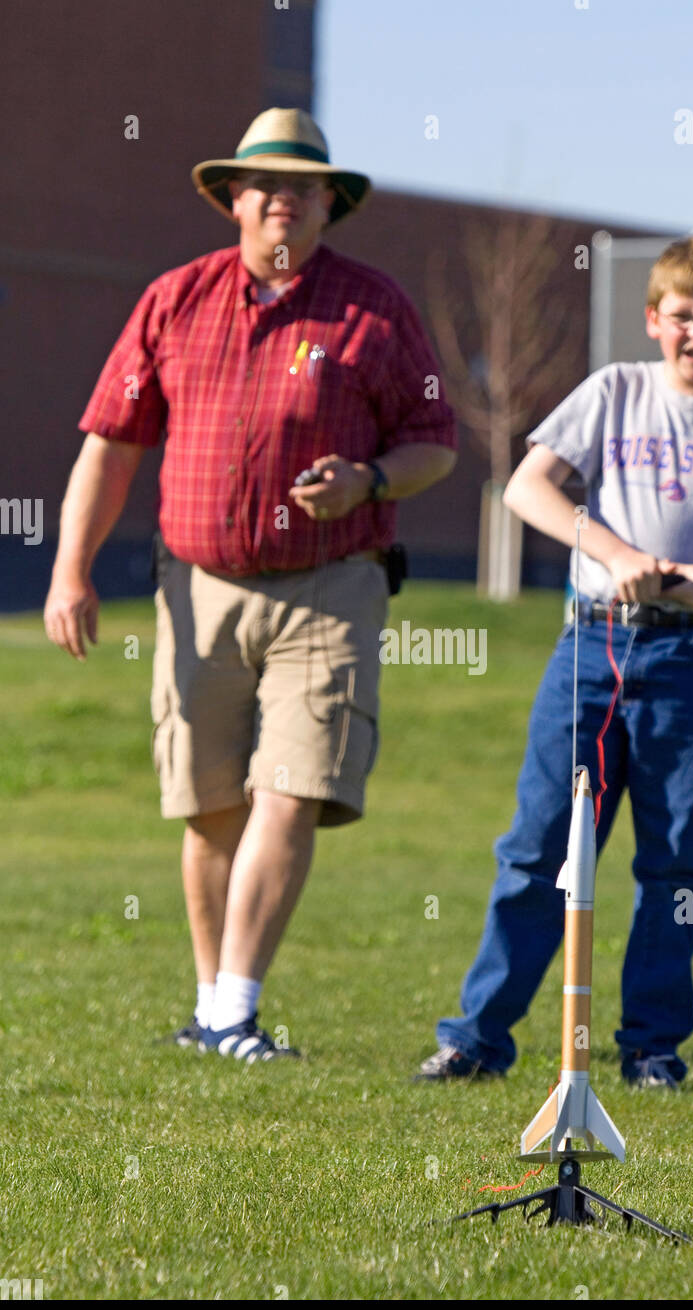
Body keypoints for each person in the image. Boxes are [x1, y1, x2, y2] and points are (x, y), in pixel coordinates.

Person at [44, 108, 456, 1062]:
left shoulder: (375, 309)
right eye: (263, 184)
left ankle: (236, 1008)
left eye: (303, 186)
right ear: (233, 199)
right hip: (198, 587)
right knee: (209, 802)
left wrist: (370, 480)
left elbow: (436, 445)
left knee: (290, 788)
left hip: (332, 586)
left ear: (327, 205)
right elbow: (109, 448)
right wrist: (69, 571)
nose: (281, 200)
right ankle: (212, 1006)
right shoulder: (174, 300)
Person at [417, 234, 693, 1088]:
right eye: (682, 316)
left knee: (677, 863)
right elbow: (528, 486)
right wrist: (615, 554)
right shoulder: (615, 392)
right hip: (594, 643)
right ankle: (478, 1038)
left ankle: (651, 1046)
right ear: (653, 319)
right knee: (539, 849)